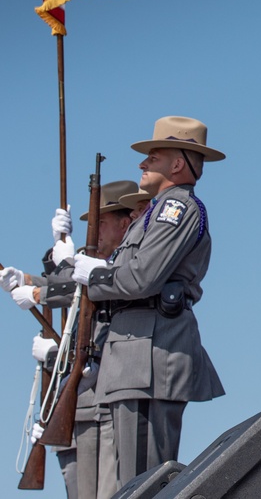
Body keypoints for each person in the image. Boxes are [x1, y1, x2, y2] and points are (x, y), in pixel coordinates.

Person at [72, 116, 226, 488]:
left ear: (177, 165)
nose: (142, 163)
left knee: (143, 482)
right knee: (133, 482)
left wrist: (94, 275)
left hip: (148, 359)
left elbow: (142, 277)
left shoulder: (178, 209)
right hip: (133, 357)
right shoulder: (155, 212)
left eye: (153, 157)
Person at [3, 180, 139, 499]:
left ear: (125, 224)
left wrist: (41, 288)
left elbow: (81, 289)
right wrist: (27, 279)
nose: (95, 231)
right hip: (81, 402)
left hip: (99, 400)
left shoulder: (120, 267)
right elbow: (71, 287)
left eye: (101, 223)